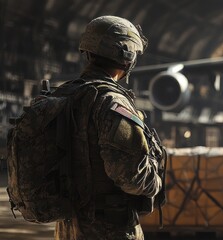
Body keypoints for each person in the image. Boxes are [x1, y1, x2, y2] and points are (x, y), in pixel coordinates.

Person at [54, 16, 163, 239]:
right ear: (128, 57)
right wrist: (156, 181)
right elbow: (129, 176)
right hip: (108, 228)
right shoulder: (113, 104)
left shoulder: (64, 96)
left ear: (88, 51)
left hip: (67, 226)